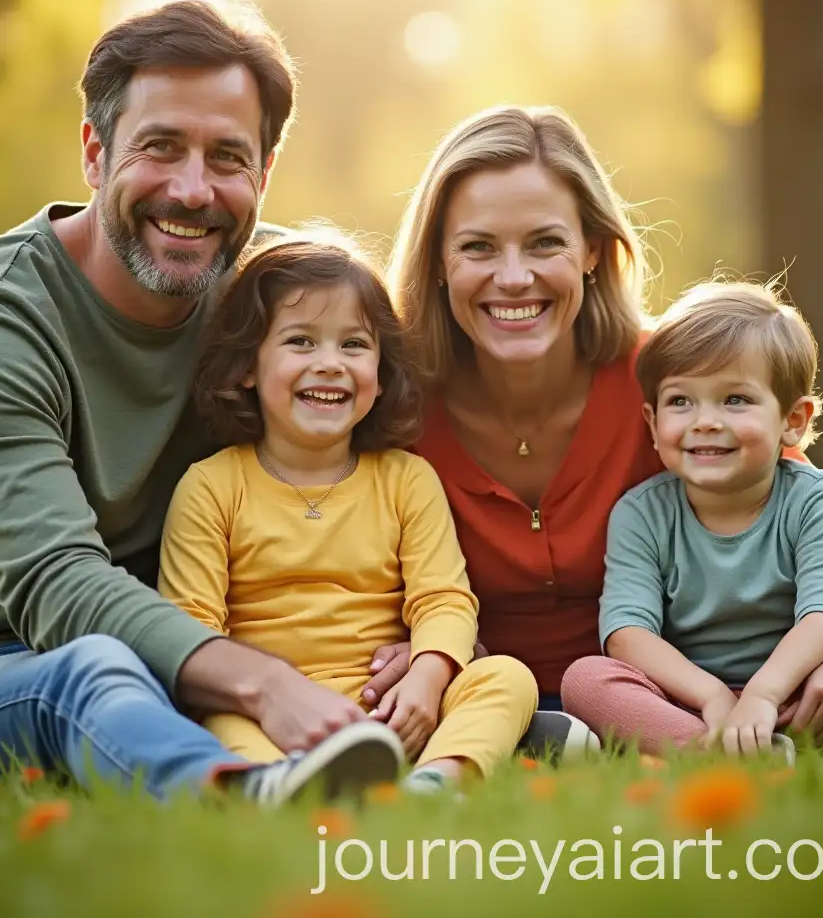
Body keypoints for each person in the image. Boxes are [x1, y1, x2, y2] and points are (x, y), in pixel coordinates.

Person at [0, 0, 409, 805]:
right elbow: (57, 588)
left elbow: (397, 422)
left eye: (227, 157)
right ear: (95, 152)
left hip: (190, 643)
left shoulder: (277, 298)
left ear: (264, 174)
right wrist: (264, 683)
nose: (192, 190)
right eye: (160, 147)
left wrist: (419, 650)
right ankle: (243, 795)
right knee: (92, 667)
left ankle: (476, 729)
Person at [363, 103, 823, 758]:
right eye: (478, 247)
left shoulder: (673, 385)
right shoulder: (393, 406)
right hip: (565, 691)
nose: (515, 276)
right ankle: (706, 751)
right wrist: (424, 648)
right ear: (439, 261)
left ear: (592, 250)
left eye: (546, 242)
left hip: (702, 681)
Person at [158, 230, 538, 792]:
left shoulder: (406, 479)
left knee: (507, 677)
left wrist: (427, 679)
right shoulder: (212, 487)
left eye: (354, 345)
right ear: (247, 367)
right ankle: (279, 785)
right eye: (301, 342)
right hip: (268, 711)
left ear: (381, 375)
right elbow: (191, 628)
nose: (330, 364)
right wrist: (258, 698)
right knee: (216, 718)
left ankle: (435, 782)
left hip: (390, 703)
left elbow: (443, 598)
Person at [562, 281, 823, 759]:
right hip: (692, 703)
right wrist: (714, 698)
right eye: (681, 401)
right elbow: (627, 632)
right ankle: (717, 752)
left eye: (735, 399)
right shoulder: (641, 514)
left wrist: (764, 694)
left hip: (804, 691)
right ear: (652, 423)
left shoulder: (818, 500)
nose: (704, 421)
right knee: (585, 678)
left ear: (793, 420)